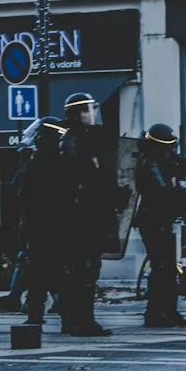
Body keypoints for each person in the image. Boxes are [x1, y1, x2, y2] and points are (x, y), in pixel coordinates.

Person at [56, 92, 119, 337]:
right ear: (74, 115)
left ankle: (78, 319)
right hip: (81, 216)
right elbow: (74, 179)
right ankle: (80, 320)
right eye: (86, 111)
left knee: (88, 269)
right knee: (82, 269)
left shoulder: (92, 140)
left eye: (92, 110)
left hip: (94, 213)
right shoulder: (72, 141)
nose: (91, 115)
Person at [135, 124, 186, 328]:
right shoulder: (151, 163)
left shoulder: (169, 162)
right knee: (162, 266)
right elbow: (163, 189)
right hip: (154, 219)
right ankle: (156, 312)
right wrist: (178, 187)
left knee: (166, 267)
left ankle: (167, 310)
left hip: (162, 219)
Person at [16, 116, 69, 327]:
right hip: (49, 224)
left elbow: (24, 192)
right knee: (53, 272)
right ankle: (63, 315)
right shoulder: (54, 159)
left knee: (40, 272)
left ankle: (36, 313)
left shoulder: (42, 161)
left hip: (43, 224)